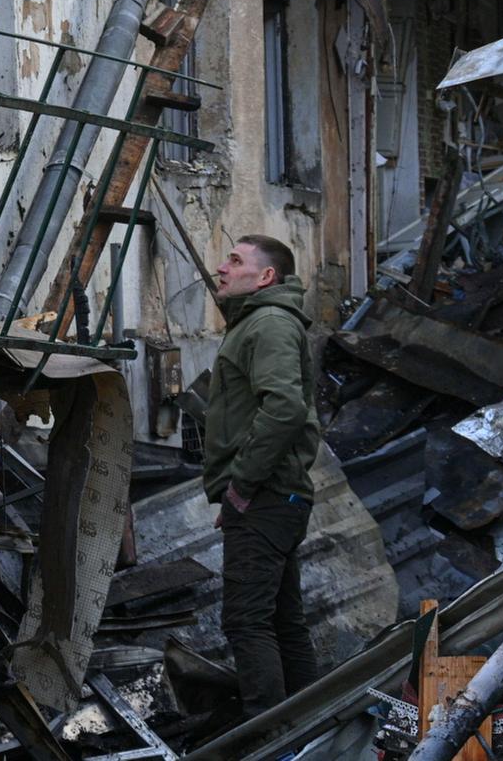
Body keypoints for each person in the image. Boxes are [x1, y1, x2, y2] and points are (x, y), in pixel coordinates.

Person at [203, 234, 321, 716]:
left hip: (268, 494)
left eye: (235, 260)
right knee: (283, 622)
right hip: (275, 497)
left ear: (266, 276)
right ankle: (309, 731)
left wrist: (243, 486)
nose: (221, 268)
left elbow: (285, 408)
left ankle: (269, 741)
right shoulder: (257, 323)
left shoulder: (268, 323)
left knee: (247, 623)